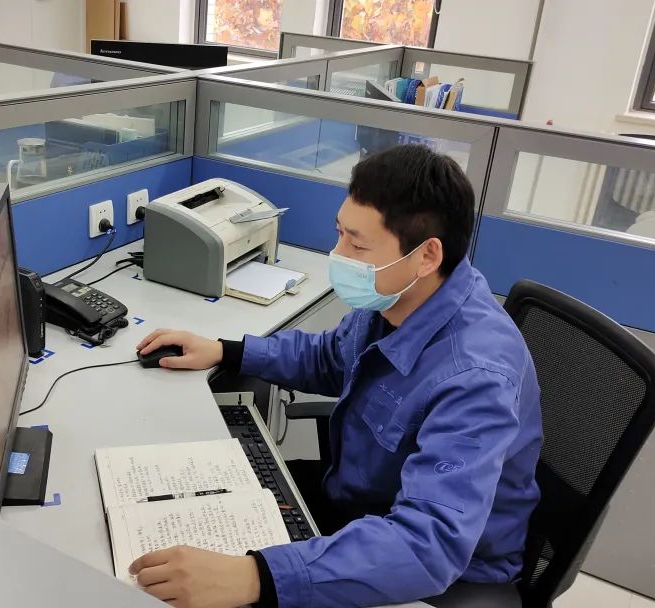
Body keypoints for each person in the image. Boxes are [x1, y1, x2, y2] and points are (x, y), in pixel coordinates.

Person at [130, 145, 543, 608]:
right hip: (359, 505)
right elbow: (331, 357)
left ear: (427, 255)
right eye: (339, 233)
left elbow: (430, 544)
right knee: (195, 505)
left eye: (358, 245)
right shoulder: (397, 298)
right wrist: (228, 351)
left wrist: (256, 577)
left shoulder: (477, 376)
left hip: (438, 571)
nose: (338, 254)